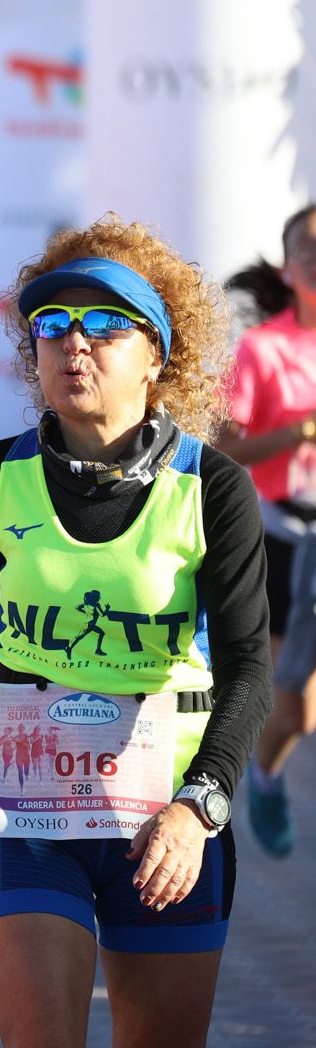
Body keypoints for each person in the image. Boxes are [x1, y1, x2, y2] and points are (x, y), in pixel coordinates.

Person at [0, 218, 272, 1048]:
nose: (76, 343)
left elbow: (250, 667)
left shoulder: (212, 485)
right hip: (26, 808)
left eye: (107, 325)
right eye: (53, 325)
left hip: (166, 814)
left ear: (157, 355)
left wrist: (201, 807)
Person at [220, 203, 316, 858]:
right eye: (307, 246)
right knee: (297, 707)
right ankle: (265, 773)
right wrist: (298, 432)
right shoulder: (264, 347)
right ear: (289, 266)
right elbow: (227, 449)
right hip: (288, 533)